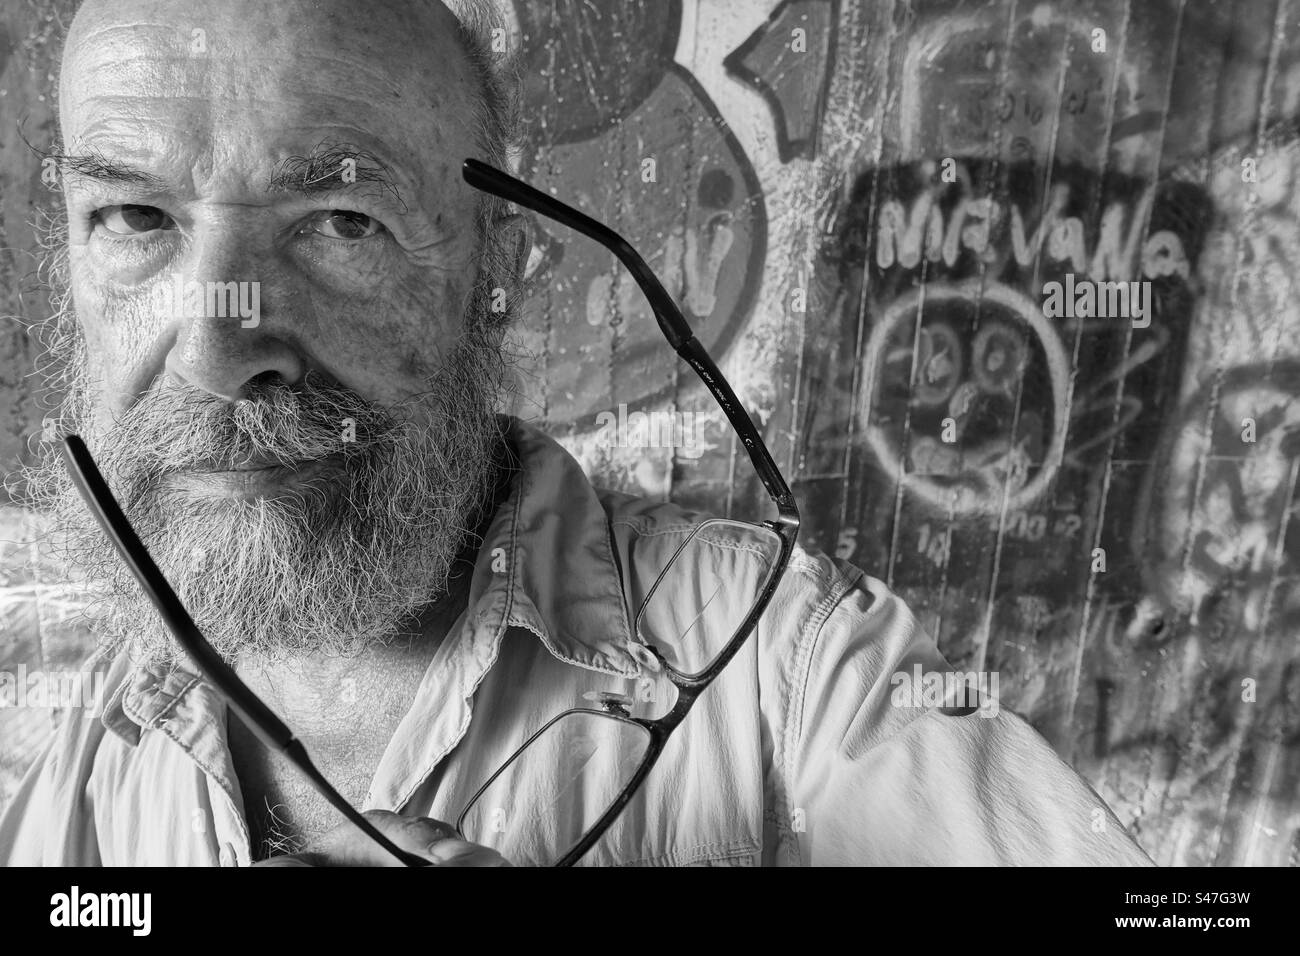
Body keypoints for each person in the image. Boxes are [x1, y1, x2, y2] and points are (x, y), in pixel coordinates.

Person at [0, 0, 1152, 867]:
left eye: (340, 222)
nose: (214, 348)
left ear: (498, 268)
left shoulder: (792, 674)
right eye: (136, 216)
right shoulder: (67, 765)